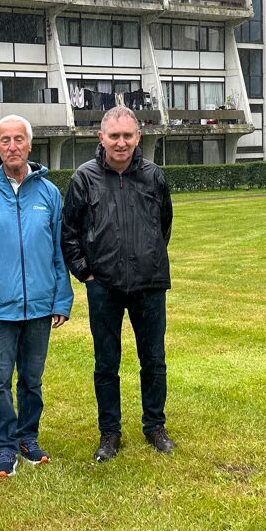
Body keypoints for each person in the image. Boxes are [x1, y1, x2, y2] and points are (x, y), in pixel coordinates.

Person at [0, 115, 74, 479]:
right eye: (5, 140)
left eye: (19, 139)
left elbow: (59, 250)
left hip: (40, 307)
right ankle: (4, 446)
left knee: (32, 380)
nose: (12, 146)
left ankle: (28, 438)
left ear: (30, 144)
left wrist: (61, 298)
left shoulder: (49, 193)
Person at [61, 106, 175, 462]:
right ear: (101, 138)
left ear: (138, 137)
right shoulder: (84, 178)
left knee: (153, 360)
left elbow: (163, 224)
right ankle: (110, 432)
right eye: (114, 136)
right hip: (104, 287)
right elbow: (69, 232)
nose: (121, 143)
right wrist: (87, 272)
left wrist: (149, 258)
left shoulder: (154, 176)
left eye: (128, 135)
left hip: (149, 285)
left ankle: (155, 425)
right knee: (106, 363)